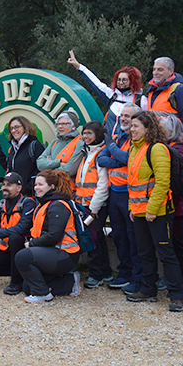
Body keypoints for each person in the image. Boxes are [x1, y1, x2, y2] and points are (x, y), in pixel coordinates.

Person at [125, 111, 183, 312]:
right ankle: (148, 289)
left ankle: (177, 296)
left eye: (136, 126)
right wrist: (132, 208)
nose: (131, 129)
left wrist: (151, 209)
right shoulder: (134, 149)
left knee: (166, 253)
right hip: (140, 211)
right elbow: (132, 184)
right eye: (131, 126)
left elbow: (162, 183)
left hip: (157, 212)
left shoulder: (157, 149)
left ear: (148, 129)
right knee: (145, 253)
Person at [15, 170, 82, 303]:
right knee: (27, 287)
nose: (36, 188)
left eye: (40, 185)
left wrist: (32, 244)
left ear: (52, 187)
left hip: (65, 255)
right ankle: (70, 281)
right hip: (52, 252)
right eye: (35, 184)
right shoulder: (44, 203)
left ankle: (43, 294)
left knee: (22, 256)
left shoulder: (58, 205)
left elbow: (54, 236)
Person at [97, 103, 143, 292]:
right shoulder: (118, 137)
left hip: (130, 195)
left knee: (134, 237)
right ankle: (124, 273)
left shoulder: (137, 139)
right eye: (122, 115)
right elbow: (101, 158)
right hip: (115, 193)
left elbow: (128, 159)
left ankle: (137, 277)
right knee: (119, 236)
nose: (123, 119)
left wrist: (112, 150)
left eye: (128, 116)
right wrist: (118, 157)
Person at [0, 172, 37, 294]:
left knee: (15, 238)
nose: (4, 187)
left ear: (19, 188)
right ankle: (19, 273)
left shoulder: (27, 203)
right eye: (3, 184)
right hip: (6, 250)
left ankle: (16, 282)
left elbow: (22, 228)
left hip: (24, 250)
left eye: (9, 185)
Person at [158, 114, 183, 297]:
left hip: (177, 205)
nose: (160, 130)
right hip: (171, 204)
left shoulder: (179, 149)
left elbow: (179, 176)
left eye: (163, 127)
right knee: (171, 243)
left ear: (172, 130)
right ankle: (174, 278)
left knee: (178, 244)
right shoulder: (170, 147)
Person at [67, 50, 143, 135]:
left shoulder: (140, 100)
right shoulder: (112, 95)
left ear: (132, 81)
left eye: (124, 80)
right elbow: (95, 83)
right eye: (119, 79)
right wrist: (79, 66)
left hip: (128, 145)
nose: (121, 83)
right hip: (108, 143)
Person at [75, 121, 112, 288]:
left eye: (89, 133)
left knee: (92, 240)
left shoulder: (100, 154)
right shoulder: (86, 153)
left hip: (95, 207)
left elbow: (103, 185)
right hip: (84, 205)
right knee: (98, 240)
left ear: (98, 134)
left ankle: (95, 274)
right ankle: (105, 272)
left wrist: (93, 208)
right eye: (84, 133)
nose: (86, 137)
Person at [0, 116, 44, 196]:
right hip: (15, 195)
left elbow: (41, 169)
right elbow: (8, 166)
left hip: (29, 196)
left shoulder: (34, 145)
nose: (14, 130)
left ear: (25, 127)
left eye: (17, 127)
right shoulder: (13, 148)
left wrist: (29, 186)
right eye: (11, 128)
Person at [144, 57, 183, 136]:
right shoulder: (151, 91)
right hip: (154, 139)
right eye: (154, 69)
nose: (155, 73)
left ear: (171, 71)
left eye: (160, 70)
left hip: (172, 141)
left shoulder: (180, 90)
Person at [36, 112, 83, 179]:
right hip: (51, 186)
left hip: (68, 187)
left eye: (64, 124)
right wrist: (58, 163)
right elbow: (40, 164)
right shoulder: (54, 143)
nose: (60, 126)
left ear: (73, 126)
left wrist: (49, 168)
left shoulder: (79, 143)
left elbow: (70, 169)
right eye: (58, 124)